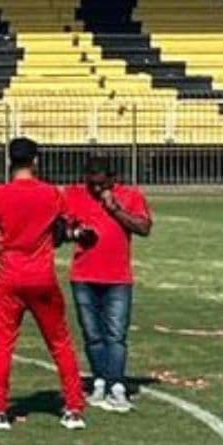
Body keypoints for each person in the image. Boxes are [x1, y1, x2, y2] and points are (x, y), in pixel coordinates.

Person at [0, 136, 88, 432]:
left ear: (10, 161)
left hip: (9, 276)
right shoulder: (51, 193)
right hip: (41, 276)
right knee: (60, 343)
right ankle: (74, 408)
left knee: (2, 344)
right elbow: (69, 225)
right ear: (35, 160)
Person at [59, 153, 153, 413]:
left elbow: (144, 228)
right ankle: (99, 380)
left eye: (102, 183)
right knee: (92, 334)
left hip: (118, 277)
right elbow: (59, 230)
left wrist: (115, 209)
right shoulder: (73, 194)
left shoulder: (130, 195)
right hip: (83, 275)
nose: (98, 189)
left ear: (113, 179)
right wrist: (76, 234)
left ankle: (117, 384)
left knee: (116, 334)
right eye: (93, 184)